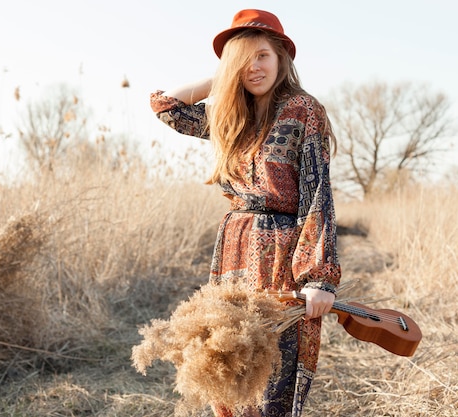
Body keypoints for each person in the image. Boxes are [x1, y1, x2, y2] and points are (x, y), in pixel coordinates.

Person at [149, 9, 341, 417]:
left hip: (281, 248)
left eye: (263, 56)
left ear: (282, 60)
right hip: (234, 247)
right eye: (244, 59)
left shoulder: (302, 110)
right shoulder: (229, 115)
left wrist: (318, 277)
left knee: (272, 367)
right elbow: (166, 106)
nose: (254, 68)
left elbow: (317, 194)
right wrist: (223, 77)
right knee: (227, 361)